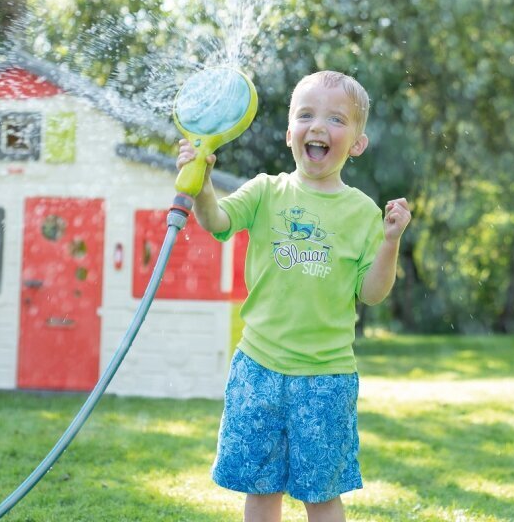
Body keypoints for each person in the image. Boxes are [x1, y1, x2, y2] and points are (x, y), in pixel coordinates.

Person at [176, 70, 411, 522]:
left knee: (320, 494)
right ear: (290, 134)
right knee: (261, 490)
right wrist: (203, 185)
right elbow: (218, 222)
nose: (319, 127)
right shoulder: (266, 190)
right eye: (306, 115)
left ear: (357, 143)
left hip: (326, 377)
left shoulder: (363, 211)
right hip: (258, 368)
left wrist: (390, 241)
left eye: (336, 120)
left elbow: (373, 293)